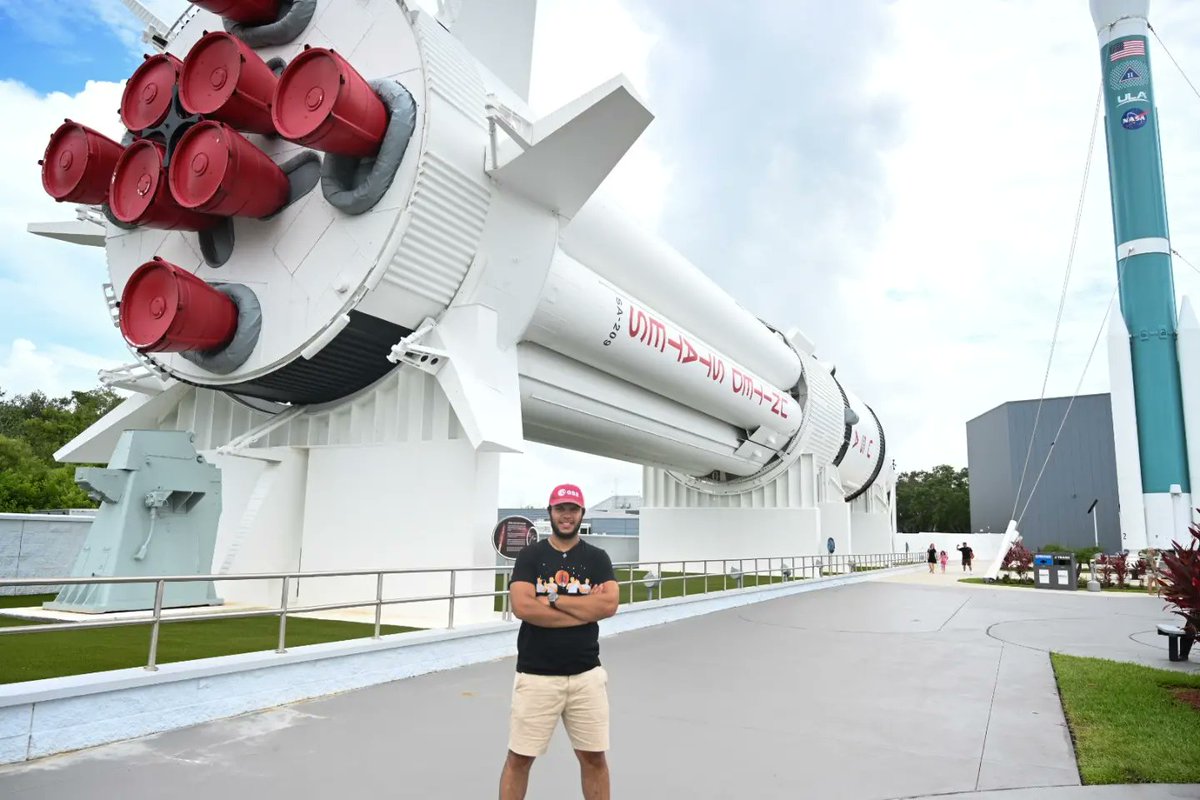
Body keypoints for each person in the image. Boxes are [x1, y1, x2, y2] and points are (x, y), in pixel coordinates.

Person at [499, 483, 620, 800]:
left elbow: (608, 606)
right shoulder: (530, 556)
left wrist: (552, 600)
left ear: (581, 514)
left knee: (594, 758)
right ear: (550, 512)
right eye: (560, 509)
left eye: (573, 509)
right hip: (536, 676)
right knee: (519, 758)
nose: (566, 515)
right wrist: (584, 610)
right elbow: (523, 607)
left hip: (586, 676)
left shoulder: (596, 558)